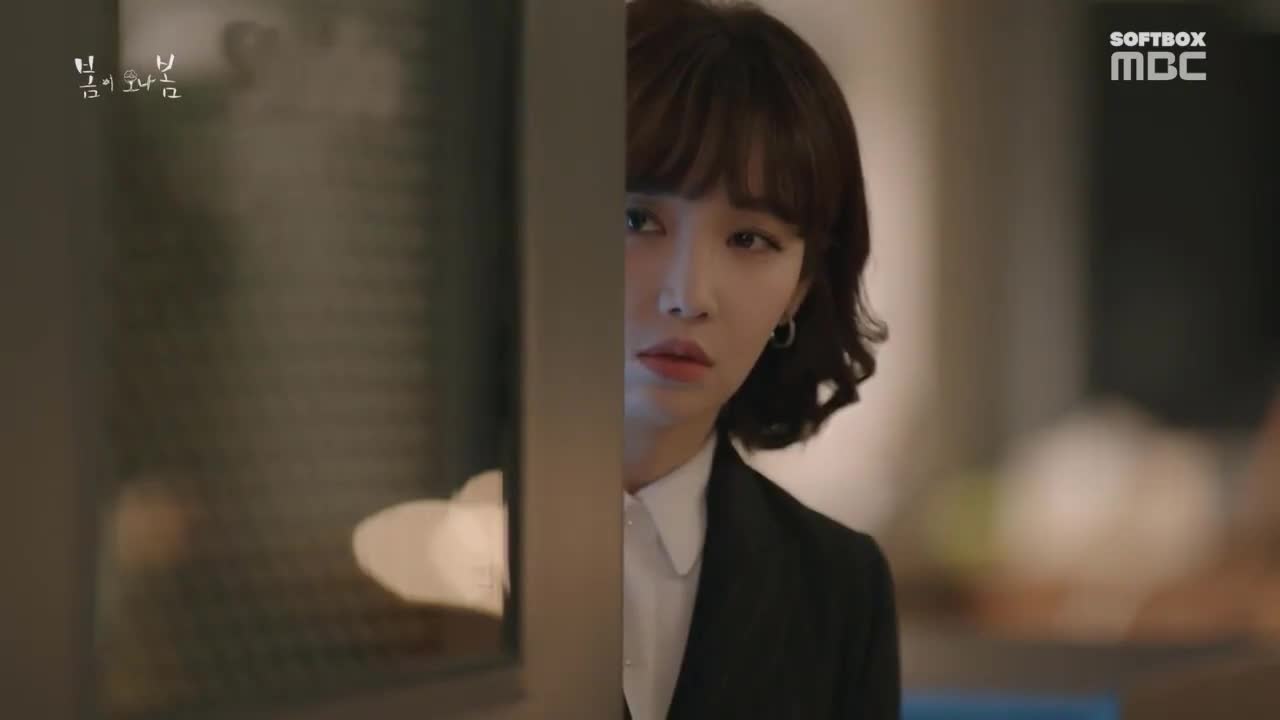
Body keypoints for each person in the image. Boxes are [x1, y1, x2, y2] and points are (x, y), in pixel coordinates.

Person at [622, 1, 900, 718]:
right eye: (637, 219)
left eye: (750, 240)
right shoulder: (414, 551)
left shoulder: (840, 591)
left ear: (799, 288)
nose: (689, 296)